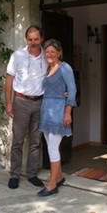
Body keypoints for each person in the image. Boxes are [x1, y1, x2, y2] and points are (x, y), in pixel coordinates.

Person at [4, 25, 46, 189]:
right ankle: (14, 175)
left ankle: (32, 174)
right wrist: (8, 103)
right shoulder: (18, 56)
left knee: (36, 141)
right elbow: (9, 79)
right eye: (30, 39)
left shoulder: (47, 56)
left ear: (41, 39)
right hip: (21, 101)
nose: (33, 42)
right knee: (18, 140)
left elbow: (55, 74)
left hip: (40, 102)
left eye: (36, 39)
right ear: (26, 39)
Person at [37, 39, 77, 197]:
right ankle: (59, 177)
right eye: (47, 52)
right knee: (50, 146)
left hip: (58, 111)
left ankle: (52, 184)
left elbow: (72, 90)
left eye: (52, 51)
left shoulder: (64, 67)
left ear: (59, 53)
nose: (49, 54)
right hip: (47, 111)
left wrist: (68, 112)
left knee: (53, 148)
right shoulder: (48, 69)